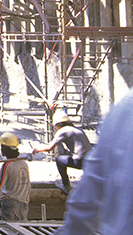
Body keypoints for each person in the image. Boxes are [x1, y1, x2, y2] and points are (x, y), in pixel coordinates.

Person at [57, 87, 133, 234]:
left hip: (80, 162)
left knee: (60, 160)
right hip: (83, 161)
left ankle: (66, 185)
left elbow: (83, 210)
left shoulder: (125, 107)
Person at [31, 110, 92, 194]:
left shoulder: (63, 131)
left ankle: (66, 186)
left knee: (59, 160)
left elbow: (50, 148)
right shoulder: (76, 129)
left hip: (79, 160)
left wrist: (37, 149)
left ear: (58, 125)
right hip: (90, 160)